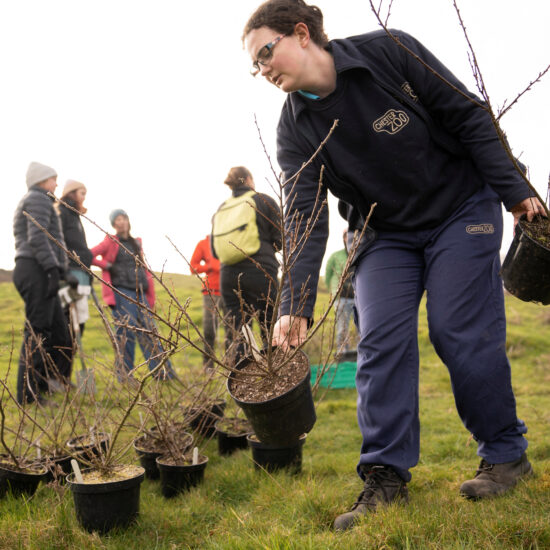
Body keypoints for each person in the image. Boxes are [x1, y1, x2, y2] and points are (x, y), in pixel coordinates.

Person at [243, 0, 545, 530]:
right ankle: (385, 477)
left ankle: (504, 455)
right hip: (384, 235)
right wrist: (293, 305)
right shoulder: (295, 130)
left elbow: (468, 114)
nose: (263, 69)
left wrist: (516, 193)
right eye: (254, 65)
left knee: (457, 330)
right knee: (379, 342)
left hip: (460, 208)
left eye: (265, 53)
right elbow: (306, 215)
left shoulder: (388, 52)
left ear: (302, 34)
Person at [13, 161, 73, 404]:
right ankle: (28, 395)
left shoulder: (40, 199)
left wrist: (60, 272)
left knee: (60, 334)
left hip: (40, 268)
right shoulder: (38, 198)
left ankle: (47, 383)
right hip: (36, 268)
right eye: (53, 179)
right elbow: (38, 236)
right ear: (41, 180)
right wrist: (51, 269)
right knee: (38, 332)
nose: (56, 183)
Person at [91, 209, 175, 381]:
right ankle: (124, 375)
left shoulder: (136, 243)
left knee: (150, 332)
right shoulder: (110, 241)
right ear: (114, 224)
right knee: (125, 334)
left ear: (128, 221)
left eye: (123, 219)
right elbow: (89, 255)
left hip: (140, 292)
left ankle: (163, 373)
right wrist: (106, 265)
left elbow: (143, 267)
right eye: (117, 220)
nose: (121, 222)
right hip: (121, 291)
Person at [211, 166, 281, 361]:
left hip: (228, 276)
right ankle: (275, 378)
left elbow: (215, 250)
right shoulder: (262, 200)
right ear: (249, 179)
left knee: (239, 335)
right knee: (270, 326)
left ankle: (244, 383)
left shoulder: (222, 209)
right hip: (260, 270)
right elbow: (281, 239)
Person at [57, 180, 93, 337]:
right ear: (72, 193)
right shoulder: (61, 212)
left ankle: (69, 357)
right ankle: (62, 358)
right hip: (70, 273)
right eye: (82, 193)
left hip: (81, 273)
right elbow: (57, 242)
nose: (84, 197)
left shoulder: (74, 215)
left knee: (80, 322)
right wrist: (64, 272)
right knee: (68, 321)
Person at [190, 235, 223, 371]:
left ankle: (234, 366)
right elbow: (193, 267)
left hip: (230, 290)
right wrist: (211, 266)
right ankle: (208, 367)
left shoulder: (229, 239)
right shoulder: (203, 244)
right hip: (211, 292)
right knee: (209, 330)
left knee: (234, 331)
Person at [325, 230, 355, 361]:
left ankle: (358, 354)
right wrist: (334, 291)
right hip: (341, 299)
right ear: (343, 238)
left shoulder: (358, 255)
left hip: (358, 298)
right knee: (342, 327)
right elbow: (327, 276)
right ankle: (342, 354)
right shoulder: (336, 256)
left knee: (361, 327)